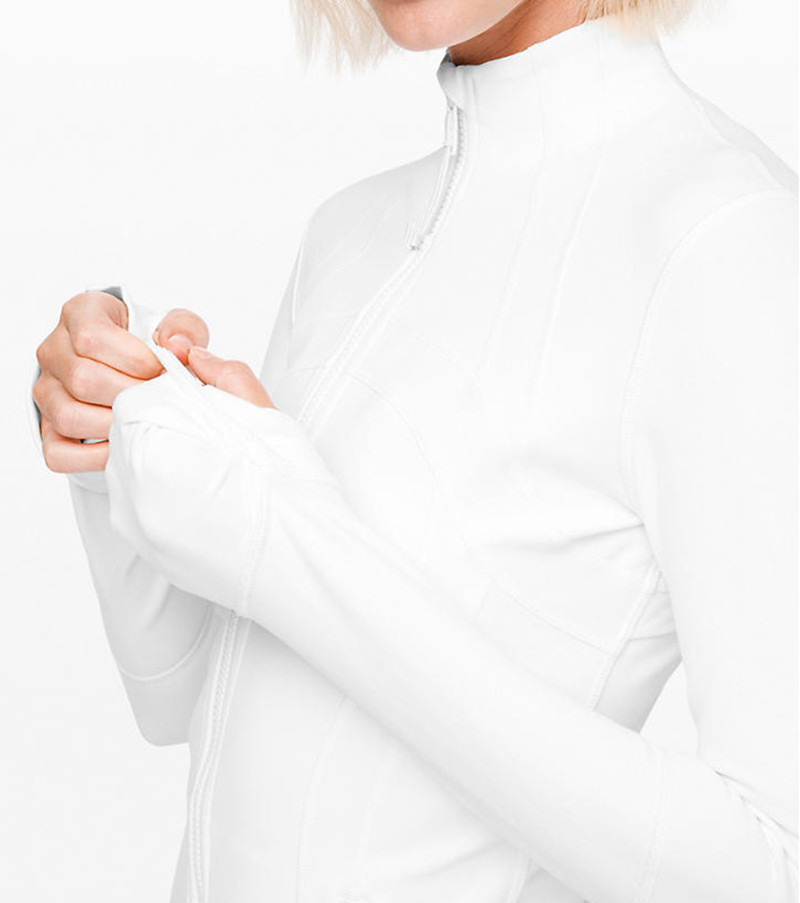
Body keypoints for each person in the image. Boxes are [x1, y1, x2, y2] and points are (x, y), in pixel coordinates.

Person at [30, 1, 798, 901]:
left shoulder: (722, 239)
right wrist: (121, 428)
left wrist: (289, 540)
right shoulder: (349, 230)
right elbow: (184, 702)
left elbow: (771, 863)